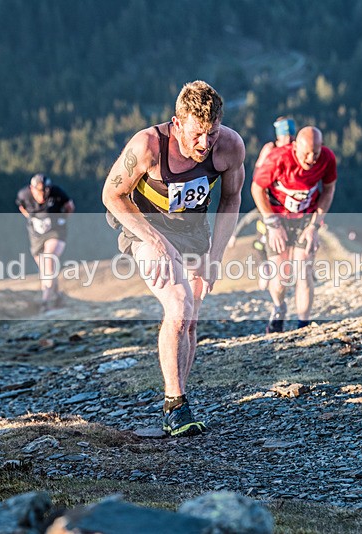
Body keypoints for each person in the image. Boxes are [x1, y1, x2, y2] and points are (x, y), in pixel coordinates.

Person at [102, 81, 245, 437]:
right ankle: (174, 406)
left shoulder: (230, 147)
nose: (204, 143)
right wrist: (156, 241)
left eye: (210, 134)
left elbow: (230, 201)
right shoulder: (148, 146)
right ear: (177, 123)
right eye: (196, 134)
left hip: (193, 231)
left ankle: (180, 394)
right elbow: (111, 194)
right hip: (145, 226)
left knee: (191, 321)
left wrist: (216, 255)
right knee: (179, 305)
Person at [251, 126, 337, 333]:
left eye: (315, 153)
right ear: (295, 146)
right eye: (305, 153)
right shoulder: (278, 159)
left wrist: (314, 226)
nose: (310, 159)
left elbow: (329, 189)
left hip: (305, 220)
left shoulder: (327, 159)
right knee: (281, 277)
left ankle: (303, 326)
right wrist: (272, 223)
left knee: (304, 273)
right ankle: (279, 307)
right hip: (278, 219)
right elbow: (257, 188)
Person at [228, 117, 297, 289]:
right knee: (265, 238)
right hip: (270, 201)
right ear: (278, 135)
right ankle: (268, 272)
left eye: (290, 135)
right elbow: (259, 176)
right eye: (285, 135)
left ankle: (287, 273)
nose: (288, 139)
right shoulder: (270, 149)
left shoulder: (297, 147)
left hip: (290, 203)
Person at [16, 173, 75, 311]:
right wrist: (31, 218)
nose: (43, 194)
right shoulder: (24, 195)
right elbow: (21, 207)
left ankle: (45, 301)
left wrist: (63, 219)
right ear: (32, 188)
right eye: (39, 191)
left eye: (45, 190)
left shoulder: (57, 192)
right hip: (36, 234)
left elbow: (70, 206)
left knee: (49, 259)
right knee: (45, 269)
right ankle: (56, 295)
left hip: (55, 231)